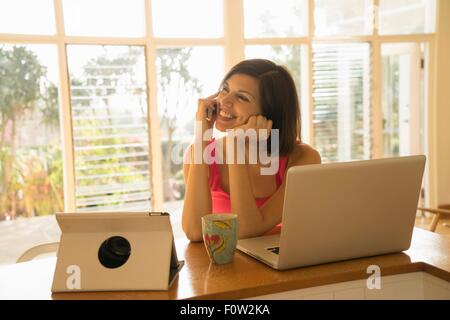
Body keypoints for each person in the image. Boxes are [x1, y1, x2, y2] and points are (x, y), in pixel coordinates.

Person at [182, 59, 321, 242]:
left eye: (242, 97)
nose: (224, 101)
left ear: (269, 112)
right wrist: (202, 134)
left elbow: (246, 230)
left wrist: (235, 146)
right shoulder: (199, 152)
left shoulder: (303, 158)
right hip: (227, 268)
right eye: (225, 89)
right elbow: (195, 233)